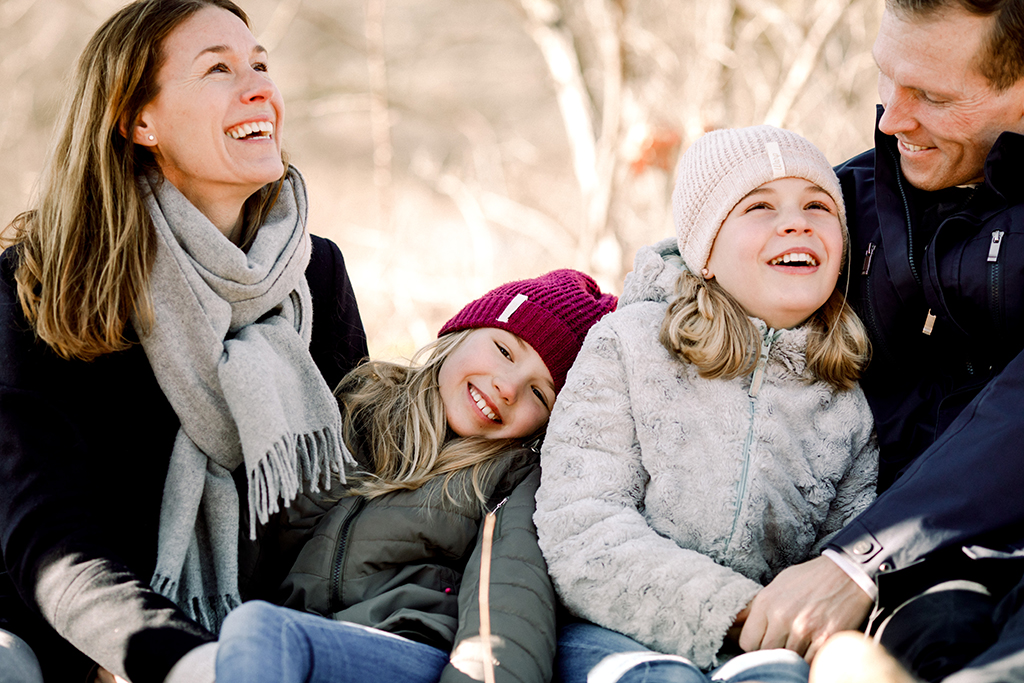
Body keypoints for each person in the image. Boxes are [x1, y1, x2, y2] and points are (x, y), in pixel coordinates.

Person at [0, 1, 368, 682]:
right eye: (219, 69)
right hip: (74, 646)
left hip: (266, 641)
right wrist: (173, 656)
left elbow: (350, 502)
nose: (259, 86)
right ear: (139, 120)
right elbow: (47, 534)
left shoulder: (316, 274)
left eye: (261, 64)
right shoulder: (43, 283)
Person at [735, 1, 1024, 682]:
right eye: (887, 80)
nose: (892, 119)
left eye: (930, 95)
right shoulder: (844, 204)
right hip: (913, 585)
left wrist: (859, 557)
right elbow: (691, 293)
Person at [532, 125, 878, 683]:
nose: (796, 222)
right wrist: (739, 611)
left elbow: (837, 554)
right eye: (758, 206)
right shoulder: (630, 346)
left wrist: (782, 629)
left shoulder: (845, 403)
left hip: (763, 648)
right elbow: (582, 524)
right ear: (706, 251)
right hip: (611, 631)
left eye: (818, 206)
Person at [212, 269, 617, 683]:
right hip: (305, 640)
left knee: (258, 631)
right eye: (504, 351)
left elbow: (509, 604)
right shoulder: (356, 408)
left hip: (407, 650)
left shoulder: (511, 478)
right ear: (464, 330)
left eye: (539, 393)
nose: (508, 387)